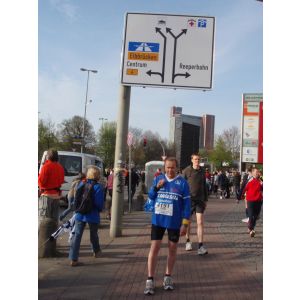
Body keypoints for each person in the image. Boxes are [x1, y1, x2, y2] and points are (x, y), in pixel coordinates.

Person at [144, 157, 191, 295]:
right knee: (155, 247)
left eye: (173, 167)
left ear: (177, 168)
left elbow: (187, 206)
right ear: (165, 167)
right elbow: (151, 197)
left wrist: (185, 224)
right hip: (158, 220)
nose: (170, 170)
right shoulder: (158, 179)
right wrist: (156, 187)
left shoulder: (182, 183)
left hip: (174, 222)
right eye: (168, 167)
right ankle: (150, 279)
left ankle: (168, 276)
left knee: (172, 249)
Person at [68, 166, 104, 266]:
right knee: (93, 234)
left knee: (77, 236)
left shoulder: (81, 184)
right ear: (97, 176)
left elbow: (77, 198)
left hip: (80, 213)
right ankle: (96, 251)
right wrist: (100, 209)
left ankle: (73, 258)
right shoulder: (98, 187)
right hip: (92, 214)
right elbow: (99, 203)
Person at [182, 154, 208, 255]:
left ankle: (201, 245)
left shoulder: (202, 171)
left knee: (200, 222)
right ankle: (188, 241)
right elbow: (182, 185)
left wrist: (205, 199)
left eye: (198, 159)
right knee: (188, 222)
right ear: (192, 160)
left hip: (200, 200)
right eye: (195, 159)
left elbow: (204, 185)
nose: (197, 161)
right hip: (189, 200)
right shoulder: (186, 171)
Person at [38, 149, 65, 221]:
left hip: (47, 196)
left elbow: (41, 182)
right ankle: (52, 232)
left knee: (44, 219)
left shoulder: (46, 166)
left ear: (48, 156)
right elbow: (61, 181)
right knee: (53, 220)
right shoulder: (60, 167)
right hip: (56, 196)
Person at [240, 168, 263, 237]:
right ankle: (251, 229)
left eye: (258, 172)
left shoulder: (261, 180)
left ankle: (251, 228)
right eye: (256, 172)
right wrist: (241, 196)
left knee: (256, 216)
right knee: (251, 215)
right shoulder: (249, 180)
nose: (257, 173)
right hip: (250, 200)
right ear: (252, 173)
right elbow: (244, 188)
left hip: (259, 200)